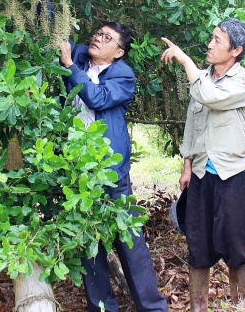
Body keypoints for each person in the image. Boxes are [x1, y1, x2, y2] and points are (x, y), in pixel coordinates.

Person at [59, 23, 168, 312]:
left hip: (110, 169)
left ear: (118, 52)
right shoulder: (81, 57)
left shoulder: (123, 74)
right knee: (88, 239)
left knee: (129, 240)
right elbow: (55, 35)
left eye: (107, 38)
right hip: (78, 167)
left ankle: (152, 307)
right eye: (98, 33)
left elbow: (96, 98)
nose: (98, 38)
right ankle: (102, 308)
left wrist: (69, 64)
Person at [159, 19, 245, 311]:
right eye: (211, 37)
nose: (210, 44)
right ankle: (198, 306)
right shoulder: (202, 77)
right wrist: (187, 164)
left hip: (234, 174)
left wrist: (184, 59)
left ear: (236, 50)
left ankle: (242, 305)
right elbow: (193, 124)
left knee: (238, 244)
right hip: (202, 173)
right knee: (198, 244)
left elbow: (210, 97)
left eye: (218, 40)